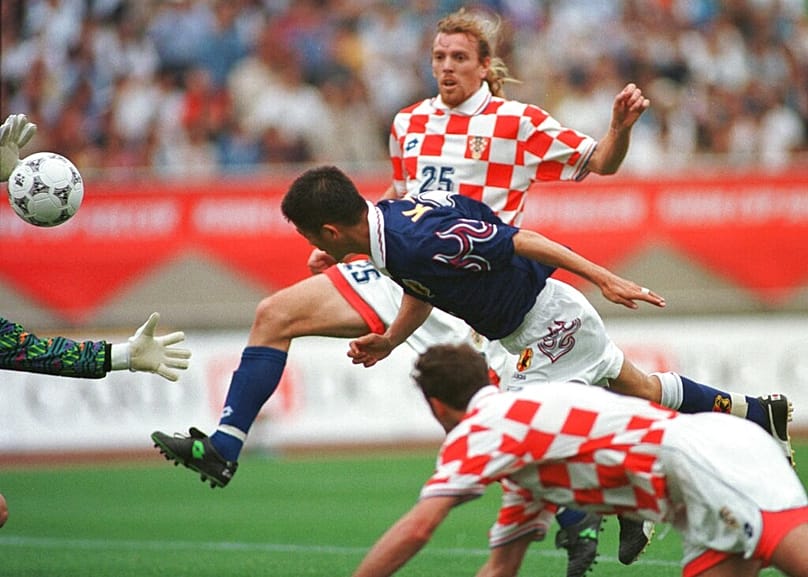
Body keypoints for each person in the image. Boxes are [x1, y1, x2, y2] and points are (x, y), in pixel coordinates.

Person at [149, 8, 783, 574]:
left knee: (567, 406)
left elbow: (600, 165)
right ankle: (227, 444)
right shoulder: (408, 123)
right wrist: (347, 243)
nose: (446, 67)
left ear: (485, 67)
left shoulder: (517, 122)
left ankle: (590, 512)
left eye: (459, 58)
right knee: (274, 312)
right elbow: (403, 204)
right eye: (439, 57)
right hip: (409, 268)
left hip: (490, 289)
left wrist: (620, 129)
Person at [350, 342, 808, 577]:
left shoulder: (484, 427)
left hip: (708, 461)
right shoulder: (522, 463)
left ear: (436, 407)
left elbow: (419, 526)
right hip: (696, 484)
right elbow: (501, 567)